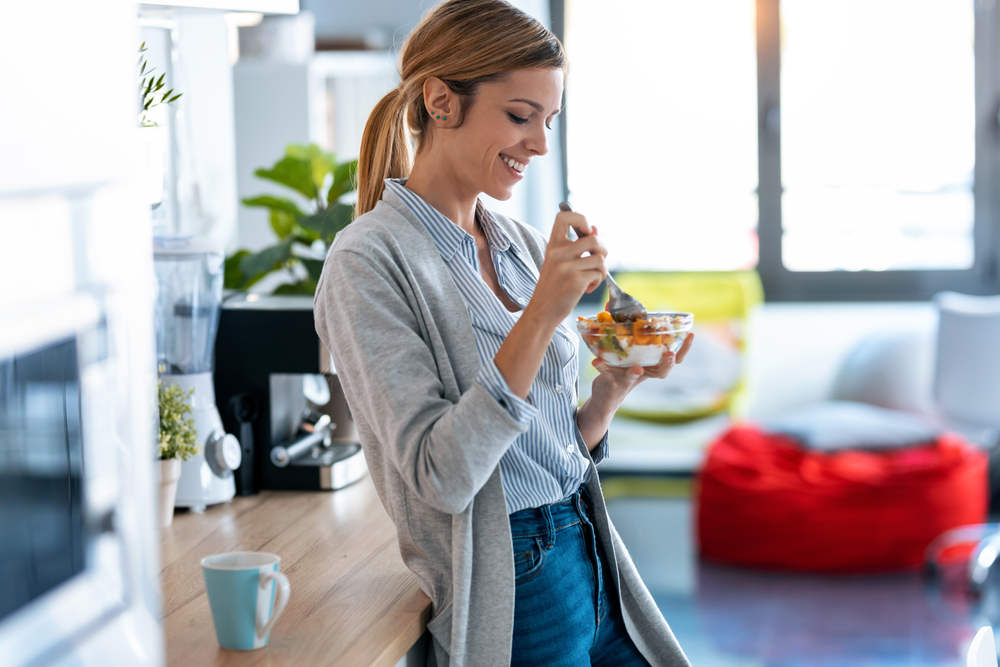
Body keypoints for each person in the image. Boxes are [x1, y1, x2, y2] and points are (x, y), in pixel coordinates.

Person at [314, 1, 693, 665]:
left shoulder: (516, 243)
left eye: (548, 121)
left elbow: (541, 447)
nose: (540, 144)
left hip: (591, 543)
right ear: (441, 101)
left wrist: (607, 395)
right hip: (517, 582)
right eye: (520, 116)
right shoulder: (367, 262)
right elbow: (444, 475)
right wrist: (544, 310)